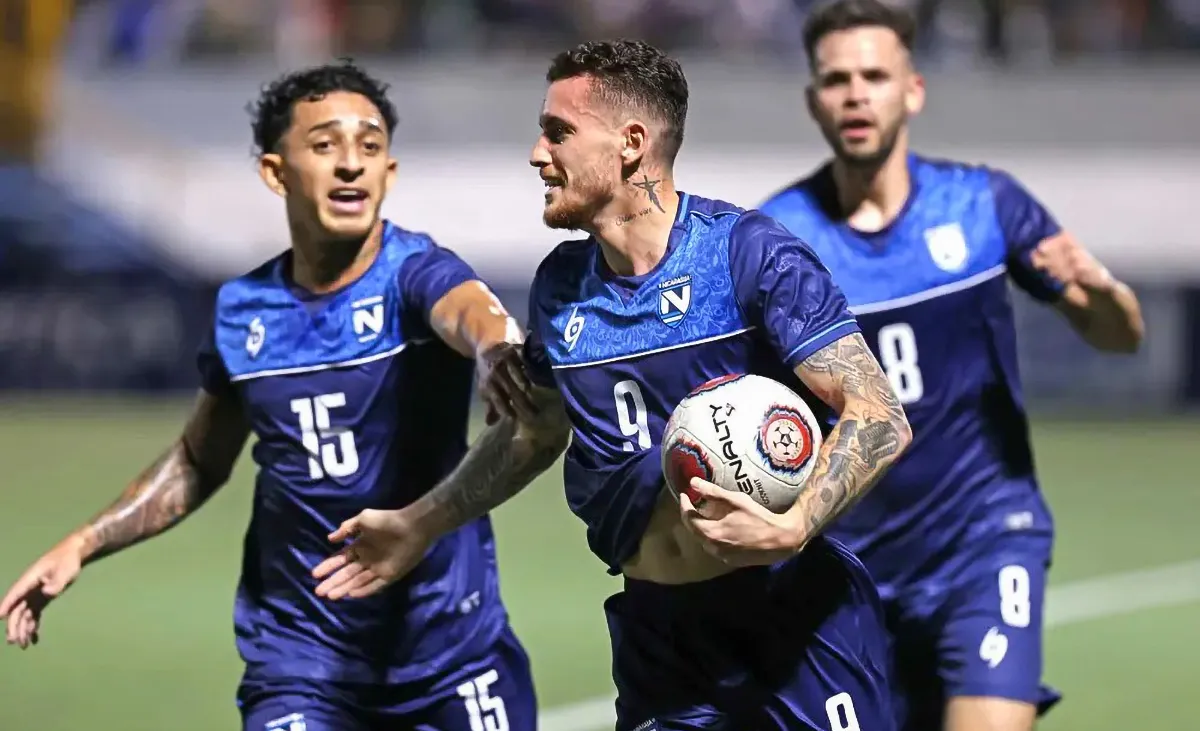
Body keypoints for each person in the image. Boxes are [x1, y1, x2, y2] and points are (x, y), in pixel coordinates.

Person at [311, 39, 914, 731]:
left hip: (798, 628)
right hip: (662, 645)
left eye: (558, 132)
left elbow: (878, 413)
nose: (538, 154)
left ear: (631, 143)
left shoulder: (745, 255)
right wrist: (419, 522)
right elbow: (534, 433)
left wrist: (795, 525)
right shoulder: (561, 289)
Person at [0, 60, 551, 731]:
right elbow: (199, 461)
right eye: (324, 145)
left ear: (389, 172)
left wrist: (496, 348)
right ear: (275, 171)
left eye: (369, 146)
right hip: (300, 664)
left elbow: (472, 313)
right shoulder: (243, 310)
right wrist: (83, 543)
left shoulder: (415, 273)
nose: (350, 164)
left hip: (450, 653)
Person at [757, 2, 1146, 731]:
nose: (856, 95)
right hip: (845, 568)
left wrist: (1103, 296)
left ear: (913, 90)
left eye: (875, 76)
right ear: (813, 101)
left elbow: (1120, 336)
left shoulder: (985, 207)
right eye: (836, 80)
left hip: (984, 541)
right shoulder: (776, 242)